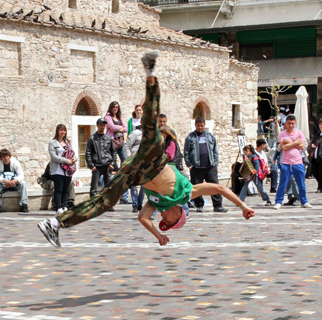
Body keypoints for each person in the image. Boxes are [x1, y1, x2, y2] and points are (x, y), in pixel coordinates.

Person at [37, 52, 255, 248]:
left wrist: (157, 236)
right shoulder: (186, 193)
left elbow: (143, 218)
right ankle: (150, 72)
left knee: (103, 202)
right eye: (168, 222)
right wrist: (243, 206)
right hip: (154, 161)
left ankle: (54, 223)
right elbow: (219, 188)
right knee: (151, 123)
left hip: (133, 172)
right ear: (179, 213)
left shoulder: (155, 203)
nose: (163, 221)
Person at [184, 117, 227, 213]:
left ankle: (218, 205)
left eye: (202, 125)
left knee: (214, 186)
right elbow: (186, 152)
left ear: (204, 125)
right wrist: (189, 165)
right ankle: (199, 205)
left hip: (210, 166)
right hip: (196, 167)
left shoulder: (210, 136)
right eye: (198, 125)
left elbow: (215, 150)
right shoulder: (190, 137)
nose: (200, 127)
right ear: (195, 125)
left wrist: (215, 162)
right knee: (197, 187)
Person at [273, 114, 312, 209]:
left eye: (292, 123)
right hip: (286, 162)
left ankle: (304, 201)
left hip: (298, 162)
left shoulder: (299, 133)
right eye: (289, 123)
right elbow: (283, 147)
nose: (291, 125)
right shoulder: (282, 134)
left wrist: (289, 143)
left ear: (295, 123)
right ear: (286, 123)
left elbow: (302, 146)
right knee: (283, 183)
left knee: (301, 184)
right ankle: (278, 201)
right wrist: (296, 143)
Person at [86, 118, 117, 202]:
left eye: (103, 125)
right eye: (101, 125)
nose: (102, 127)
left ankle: (108, 204)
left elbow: (113, 152)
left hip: (107, 165)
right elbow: (88, 153)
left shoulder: (108, 138)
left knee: (109, 187)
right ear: (97, 126)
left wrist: (112, 164)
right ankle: (93, 204)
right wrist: (91, 165)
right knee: (94, 187)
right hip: (97, 165)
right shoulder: (92, 138)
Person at [49, 124, 76, 214]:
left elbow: (72, 153)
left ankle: (65, 206)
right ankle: (58, 207)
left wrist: (75, 159)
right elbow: (53, 156)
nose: (62, 132)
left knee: (66, 189)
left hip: (67, 170)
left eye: (64, 130)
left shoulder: (68, 142)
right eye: (61, 130)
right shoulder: (53, 142)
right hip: (57, 170)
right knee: (58, 189)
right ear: (57, 131)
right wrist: (65, 160)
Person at [0, 148, 28, 213]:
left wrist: (15, 181)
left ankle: (24, 204)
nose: (6, 158)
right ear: (1, 158)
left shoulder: (15, 162)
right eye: (4, 157)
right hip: (3, 184)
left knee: (23, 183)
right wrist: (5, 181)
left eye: (7, 156)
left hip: (14, 184)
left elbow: (21, 175)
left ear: (9, 156)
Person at [124, 123, 145, 213]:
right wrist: (130, 158)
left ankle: (140, 202)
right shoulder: (135, 133)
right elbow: (127, 147)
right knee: (133, 184)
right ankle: (135, 204)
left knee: (144, 184)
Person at [311, 118, 322, 193]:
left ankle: (321, 187)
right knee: (314, 171)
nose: (321, 126)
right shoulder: (317, 134)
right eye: (320, 124)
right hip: (315, 155)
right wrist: (312, 145)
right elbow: (313, 141)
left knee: (321, 172)